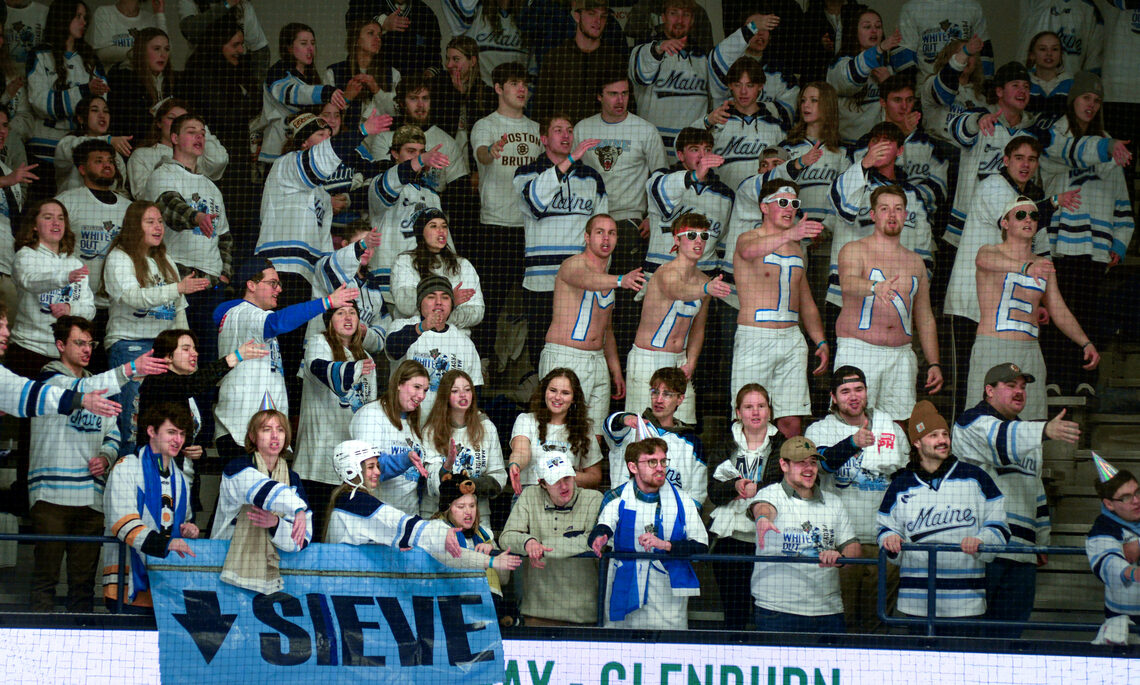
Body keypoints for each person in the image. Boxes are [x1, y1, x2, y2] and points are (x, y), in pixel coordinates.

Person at [28, 315, 165, 612]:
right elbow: (77, 391)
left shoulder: (97, 387)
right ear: (60, 345)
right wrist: (130, 369)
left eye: (90, 343)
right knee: (45, 579)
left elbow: (114, 434)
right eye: (79, 343)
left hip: (91, 497)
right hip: (51, 496)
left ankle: (79, 640)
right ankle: (36, 644)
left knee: (83, 583)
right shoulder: (49, 380)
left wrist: (106, 457)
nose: (87, 349)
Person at [954, 361, 1083, 638]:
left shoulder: (1027, 435)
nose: (1019, 392)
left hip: (1023, 550)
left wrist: (1043, 541)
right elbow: (999, 440)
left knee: (1009, 636)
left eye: (1023, 387)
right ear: (989, 390)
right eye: (1010, 386)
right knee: (970, 636)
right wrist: (1044, 430)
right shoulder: (970, 422)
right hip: (981, 548)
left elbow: (1037, 490)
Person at [877, 400, 1010, 635]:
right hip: (916, 603)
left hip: (965, 603)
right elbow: (885, 527)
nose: (943, 440)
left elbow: (1000, 526)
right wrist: (890, 539)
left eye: (945, 434)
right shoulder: (900, 484)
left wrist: (981, 541)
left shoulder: (976, 477)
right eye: (933, 435)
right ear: (916, 442)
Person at [1039, 72, 1133, 398]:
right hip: (1058, 246)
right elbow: (1071, 152)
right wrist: (1108, 147)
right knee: (1055, 312)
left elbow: (1123, 205)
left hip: (1094, 248)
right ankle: (1054, 377)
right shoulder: (1053, 137)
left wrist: (1119, 242)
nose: (1091, 105)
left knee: (1087, 312)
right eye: (1085, 98)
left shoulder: (1110, 149)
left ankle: (1085, 381)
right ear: (1072, 100)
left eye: (1096, 100)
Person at [212, 260, 359, 459]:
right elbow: (277, 322)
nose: (279, 289)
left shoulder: (255, 318)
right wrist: (327, 302)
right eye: (273, 283)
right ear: (251, 285)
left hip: (259, 432)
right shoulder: (241, 312)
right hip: (240, 432)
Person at [969, 197, 1100, 419]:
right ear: (1005, 222)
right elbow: (983, 262)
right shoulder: (989, 251)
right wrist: (1025, 267)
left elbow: (1058, 308)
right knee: (984, 424)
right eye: (1021, 215)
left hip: (1030, 351)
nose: (1028, 219)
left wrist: (1085, 341)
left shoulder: (1043, 265)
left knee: (1030, 427)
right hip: (993, 347)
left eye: (1034, 216)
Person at [320, 439, 520, 579]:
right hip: (353, 585)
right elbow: (398, 522)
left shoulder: (346, 499)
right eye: (371, 467)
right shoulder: (357, 502)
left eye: (377, 466)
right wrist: (441, 533)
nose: (378, 472)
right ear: (352, 468)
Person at [804, 365, 909, 633]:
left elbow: (905, 478)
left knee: (878, 622)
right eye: (845, 391)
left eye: (859, 389)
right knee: (841, 618)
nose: (853, 396)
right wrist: (852, 443)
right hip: (840, 542)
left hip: (882, 539)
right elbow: (822, 466)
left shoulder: (890, 428)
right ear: (834, 397)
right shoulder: (820, 429)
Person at [104, 200, 208, 453]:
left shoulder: (166, 260)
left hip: (163, 348)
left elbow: (179, 310)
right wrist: (178, 287)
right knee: (133, 419)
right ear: (133, 226)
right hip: (130, 344)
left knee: (163, 419)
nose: (158, 226)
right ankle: (127, 471)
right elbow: (133, 297)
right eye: (149, 222)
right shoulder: (119, 257)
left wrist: (185, 350)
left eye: (160, 221)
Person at [834, 184, 942, 422]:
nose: (892, 215)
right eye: (884, 209)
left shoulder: (916, 262)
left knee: (899, 426)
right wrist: (875, 286)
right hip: (859, 350)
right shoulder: (854, 250)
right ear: (873, 215)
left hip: (901, 354)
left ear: (905, 215)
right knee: (853, 423)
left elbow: (924, 316)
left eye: (898, 209)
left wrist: (933, 362)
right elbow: (848, 283)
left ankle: (894, 461)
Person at [574, 73, 667, 348]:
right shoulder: (582, 128)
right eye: (613, 94)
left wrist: (653, 215)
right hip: (591, 221)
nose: (620, 100)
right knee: (590, 293)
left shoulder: (645, 130)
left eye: (625, 93)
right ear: (599, 96)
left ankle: (625, 361)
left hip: (629, 223)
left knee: (626, 298)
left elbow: (660, 179)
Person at [731, 179, 828, 437]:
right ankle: (747, 476)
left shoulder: (797, 247)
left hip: (791, 339)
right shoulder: (747, 237)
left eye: (794, 204)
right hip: (755, 336)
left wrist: (820, 340)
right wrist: (791, 233)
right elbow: (750, 252)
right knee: (749, 417)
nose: (789, 209)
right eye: (782, 202)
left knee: (791, 420)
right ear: (764, 207)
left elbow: (805, 299)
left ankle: (789, 474)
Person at [137, 329, 267, 514]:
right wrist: (235, 357)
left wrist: (200, 451)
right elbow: (194, 384)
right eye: (186, 349)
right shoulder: (156, 382)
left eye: (195, 349)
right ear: (167, 356)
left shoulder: (189, 392)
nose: (195, 353)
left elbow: (192, 437)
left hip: (186, 478)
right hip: (157, 478)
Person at [514, 114, 608, 367]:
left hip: (581, 278)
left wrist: (599, 273)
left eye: (569, 130)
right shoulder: (526, 173)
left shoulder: (592, 177)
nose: (566, 136)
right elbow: (534, 203)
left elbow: (602, 230)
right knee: (543, 350)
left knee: (578, 346)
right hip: (540, 280)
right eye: (558, 130)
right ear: (544, 139)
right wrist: (569, 161)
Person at [590, 436, 708, 629]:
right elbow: (604, 525)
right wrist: (600, 537)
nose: (660, 467)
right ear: (633, 467)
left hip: (666, 601)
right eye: (652, 462)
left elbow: (701, 546)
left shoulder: (684, 501)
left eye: (663, 461)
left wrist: (666, 545)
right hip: (624, 594)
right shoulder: (617, 498)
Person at [746, 436, 860, 633]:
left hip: (828, 611)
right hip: (777, 610)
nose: (809, 468)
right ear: (784, 464)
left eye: (813, 462)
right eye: (801, 462)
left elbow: (853, 547)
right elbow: (764, 507)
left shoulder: (834, 502)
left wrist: (841, 558)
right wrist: (763, 518)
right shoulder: (771, 494)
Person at [539, 214, 640, 433]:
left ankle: (587, 469)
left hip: (597, 360)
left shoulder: (608, 277)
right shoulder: (573, 264)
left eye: (612, 233)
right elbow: (587, 280)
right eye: (599, 232)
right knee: (560, 429)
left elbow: (607, 330)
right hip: (566, 356)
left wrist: (615, 370)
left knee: (594, 433)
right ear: (587, 237)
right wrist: (621, 280)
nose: (606, 238)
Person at [144, 112, 232, 363]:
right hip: (178, 277)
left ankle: (202, 404)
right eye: (192, 131)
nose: (199, 137)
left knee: (206, 356)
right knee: (176, 353)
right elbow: (168, 206)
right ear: (174, 137)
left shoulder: (211, 185)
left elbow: (224, 235)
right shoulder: (163, 173)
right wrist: (196, 217)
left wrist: (224, 274)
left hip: (211, 283)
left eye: (203, 133)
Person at [627, 212, 729, 424]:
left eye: (703, 236)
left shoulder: (703, 280)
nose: (698, 241)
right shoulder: (666, 272)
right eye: (691, 235)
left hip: (679, 360)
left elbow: (698, 329)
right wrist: (706, 288)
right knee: (644, 429)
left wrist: (691, 362)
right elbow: (678, 291)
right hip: (649, 358)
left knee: (684, 426)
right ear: (677, 239)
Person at [101, 401, 198, 613]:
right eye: (171, 432)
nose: (178, 440)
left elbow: (181, 522)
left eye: (182, 434)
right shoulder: (127, 466)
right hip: (126, 587)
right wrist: (166, 544)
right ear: (151, 431)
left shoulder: (181, 478)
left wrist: (188, 529)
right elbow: (121, 523)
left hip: (166, 589)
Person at [468, 62, 540, 342]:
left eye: (524, 83)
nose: (522, 89)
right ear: (498, 88)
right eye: (513, 83)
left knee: (531, 302)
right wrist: (491, 150)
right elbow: (482, 155)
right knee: (491, 299)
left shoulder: (537, 129)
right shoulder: (486, 125)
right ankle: (483, 359)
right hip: (496, 226)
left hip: (532, 227)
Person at [628, 2, 754, 159]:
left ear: (693, 20)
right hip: (653, 150)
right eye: (674, 13)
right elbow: (642, 76)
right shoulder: (645, 52)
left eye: (686, 15)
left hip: (692, 152)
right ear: (663, 17)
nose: (680, 20)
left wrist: (753, 27)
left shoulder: (703, 58)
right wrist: (659, 47)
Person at [293, 302, 378, 532]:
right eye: (340, 313)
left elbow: (369, 413)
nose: (348, 317)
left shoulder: (367, 356)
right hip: (316, 463)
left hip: (351, 469)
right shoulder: (319, 344)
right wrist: (356, 369)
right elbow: (324, 372)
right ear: (329, 321)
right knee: (314, 533)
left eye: (353, 313)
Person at [706, 383, 783, 630]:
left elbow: (783, 484)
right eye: (748, 407)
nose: (756, 412)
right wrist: (735, 486)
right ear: (738, 412)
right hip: (730, 538)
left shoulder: (782, 443)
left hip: (768, 537)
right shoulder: (724, 442)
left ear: (769, 411)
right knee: (734, 609)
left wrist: (754, 489)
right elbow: (714, 492)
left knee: (766, 609)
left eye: (761, 406)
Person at [212, 407, 312, 594]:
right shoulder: (237, 467)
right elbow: (262, 491)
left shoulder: (293, 479)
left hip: (273, 572)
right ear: (252, 436)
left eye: (280, 430)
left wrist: (275, 524)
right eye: (266, 429)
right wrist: (298, 509)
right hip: (222, 561)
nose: (275, 435)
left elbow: (302, 539)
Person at [501, 449, 603, 626]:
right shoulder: (529, 496)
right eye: (556, 481)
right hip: (537, 611)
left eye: (567, 478)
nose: (564, 486)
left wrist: (541, 547)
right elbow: (506, 537)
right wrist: (527, 542)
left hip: (584, 615)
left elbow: (592, 542)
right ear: (542, 483)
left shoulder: (594, 499)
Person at [55, 139, 130, 350]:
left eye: (110, 161)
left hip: (118, 307)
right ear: (82, 169)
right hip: (77, 304)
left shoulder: (129, 207)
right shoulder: (67, 201)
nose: (107, 165)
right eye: (98, 161)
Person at [8, 200, 95, 382]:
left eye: (60, 218)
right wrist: (64, 278)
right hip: (28, 350)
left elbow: (90, 308)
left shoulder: (75, 263)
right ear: (34, 226)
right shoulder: (25, 255)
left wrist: (70, 310)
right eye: (48, 218)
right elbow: (30, 280)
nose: (56, 223)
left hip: (64, 356)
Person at [366, 124, 453, 303]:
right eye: (411, 151)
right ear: (395, 153)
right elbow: (392, 182)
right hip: (386, 284)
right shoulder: (380, 183)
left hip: (423, 284)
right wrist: (420, 161)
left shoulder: (432, 195)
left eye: (421, 152)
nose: (418, 157)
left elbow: (444, 241)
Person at [25, 1, 107, 175]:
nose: (84, 22)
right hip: (42, 151)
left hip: (81, 153)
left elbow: (102, 103)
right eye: (78, 16)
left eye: (85, 18)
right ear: (62, 18)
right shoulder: (39, 55)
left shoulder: (91, 59)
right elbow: (40, 103)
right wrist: (85, 92)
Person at [384, 275, 483, 418]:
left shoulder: (464, 342)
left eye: (445, 297)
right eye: (431, 297)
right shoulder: (402, 325)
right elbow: (393, 349)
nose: (438, 302)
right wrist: (421, 327)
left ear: (451, 304)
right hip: (406, 422)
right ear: (420, 303)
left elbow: (474, 389)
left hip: (445, 426)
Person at [605, 366, 705, 503]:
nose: (658, 400)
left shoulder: (692, 443)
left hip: (669, 518)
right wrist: (625, 418)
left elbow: (697, 495)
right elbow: (610, 426)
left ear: (680, 399)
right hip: (625, 511)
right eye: (655, 392)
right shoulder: (632, 426)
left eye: (667, 394)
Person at [644, 127, 733, 279]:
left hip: (704, 276)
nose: (702, 155)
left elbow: (724, 241)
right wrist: (695, 175)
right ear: (680, 155)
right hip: (660, 273)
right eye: (694, 149)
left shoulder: (726, 194)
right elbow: (662, 188)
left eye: (707, 149)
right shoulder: (661, 178)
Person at [348, 360, 432, 516]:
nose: (421, 396)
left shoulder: (414, 421)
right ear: (399, 384)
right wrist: (405, 459)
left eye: (426, 390)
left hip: (408, 517)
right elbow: (367, 469)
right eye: (416, 387)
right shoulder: (372, 415)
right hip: (376, 517)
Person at [434, 472, 517, 626]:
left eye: (472, 506)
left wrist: (491, 549)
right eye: (461, 506)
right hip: (449, 609)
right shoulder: (437, 529)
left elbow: (504, 579)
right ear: (447, 509)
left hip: (486, 610)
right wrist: (489, 561)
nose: (468, 512)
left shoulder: (485, 534)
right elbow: (455, 558)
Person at [422, 369, 505, 520]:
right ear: (445, 396)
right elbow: (431, 482)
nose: (463, 395)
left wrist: (472, 486)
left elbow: (499, 478)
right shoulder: (431, 430)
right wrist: (446, 467)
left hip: (476, 515)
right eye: (455, 391)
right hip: (438, 514)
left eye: (467, 390)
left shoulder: (486, 427)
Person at [257, 22, 344, 166]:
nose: (310, 48)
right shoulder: (277, 72)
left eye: (313, 43)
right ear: (289, 47)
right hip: (277, 152)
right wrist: (325, 92)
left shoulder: (312, 77)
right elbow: (293, 93)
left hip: (304, 152)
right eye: (304, 43)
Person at [827, 7, 916, 146]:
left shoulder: (888, 67)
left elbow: (902, 108)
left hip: (882, 143)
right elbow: (849, 82)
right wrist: (879, 49)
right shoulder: (840, 64)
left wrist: (889, 84)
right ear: (854, 31)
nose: (874, 31)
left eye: (878, 26)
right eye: (867, 27)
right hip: (849, 145)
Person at [508, 367, 604, 494]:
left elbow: (595, 476)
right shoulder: (525, 420)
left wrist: (563, 477)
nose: (557, 397)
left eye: (565, 393)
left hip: (567, 496)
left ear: (574, 398)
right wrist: (515, 464)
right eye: (553, 390)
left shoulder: (584, 428)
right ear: (544, 392)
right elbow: (521, 451)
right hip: (530, 493)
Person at [698, 55, 787, 193]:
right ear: (730, 86)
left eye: (750, 85)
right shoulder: (717, 122)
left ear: (760, 86)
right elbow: (681, 147)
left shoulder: (776, 126)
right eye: (738, 85)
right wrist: (706, 121)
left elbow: (786, 172)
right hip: (724, 203)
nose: (743, 92)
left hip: (765, 205)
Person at [533, 0, 628, 124]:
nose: (598, 21)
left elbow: (626, 108)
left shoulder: (614, 60)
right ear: (577, 16)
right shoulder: (556, 58)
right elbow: (541, 108)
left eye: (603, 16)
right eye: (591, 14)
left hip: (602, 139)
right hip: (564, 138)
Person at [389, 207, 482, 331]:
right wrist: (450, 301)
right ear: (421, 232)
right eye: (433, 226)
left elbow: (477, 312)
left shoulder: (463, 265)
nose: (441, 231)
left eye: (444, 226)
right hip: (417, 338)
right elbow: (405, 304)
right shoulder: (405, 261)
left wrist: (443, 314)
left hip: (454, 339)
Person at [126, 98, 227, 205]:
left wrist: (198, 126)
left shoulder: (195, 155)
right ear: (159, 122)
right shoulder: (142, 155)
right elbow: (143, 196)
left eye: (183, 120)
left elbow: (219, 160)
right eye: (171, 118)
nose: (177, 123)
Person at [1086, 455, 1140, 644]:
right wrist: (1132, 572)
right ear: (1109, 504)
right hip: (1127, 621)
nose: (1135, 501)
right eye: (1126, 497)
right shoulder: (1102, 528)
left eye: (1137, 492)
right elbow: (1108, 563)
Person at [324, 18, 397, 130]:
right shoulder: (334, 72)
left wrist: (377, 91)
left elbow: (396, 112)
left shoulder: (392, 73)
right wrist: (346, 98)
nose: (377, 39)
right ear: (356, 39)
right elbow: (327, 117)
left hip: (382, 141)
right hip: (346, 140)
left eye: (380, 35)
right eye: (371, 33)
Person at [345, 0, 442, 83]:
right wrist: (381, 23)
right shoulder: (365, 4)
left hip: (411, 90)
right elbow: (352, 25)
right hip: (371, 81)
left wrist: (428, 74)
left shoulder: (427, 14)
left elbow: (435, 57)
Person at [105, 27, 174, 143]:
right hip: (134, 146)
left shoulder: (172, 80)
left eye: (166, 49)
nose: (163, 54)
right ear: (141, 51)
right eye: (156, 49)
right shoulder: (123, 79)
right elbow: (128, 125)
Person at [440, 0, 527, 90]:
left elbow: (532, 69)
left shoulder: (528, 19)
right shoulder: (475, 12)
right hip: (479, 95)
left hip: (515, 98)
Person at [898, 0, 993, 79]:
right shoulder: (912, 8)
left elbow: (984, 51)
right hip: (927, 91)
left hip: (967, 91)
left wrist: (986, 86)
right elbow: (905, 57)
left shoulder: (972, 7)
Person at [51, 96, 129, 192]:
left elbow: (121, 191)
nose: (102, 115)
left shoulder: (115, 153)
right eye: (95, 110)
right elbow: (80, 146)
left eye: (106, 111)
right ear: (80, 118)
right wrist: (107, 140)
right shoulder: (67, 142)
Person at [1016, 0, 1104, 77]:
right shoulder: (1035, 4)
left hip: (1070, 90)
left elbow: (1093, 67)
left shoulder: (1090, 10)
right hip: (1034, 87)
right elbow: (1024, 53)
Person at [87, 0, 167, 68]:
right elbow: (102, 54)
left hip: (144, 82)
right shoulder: (104, 13)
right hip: (113, 82)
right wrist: (142, 52)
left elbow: (166, 53)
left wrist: (160, 14)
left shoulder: (150, 18)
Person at [1025, 31, 1072, 118]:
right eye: (1043, 49)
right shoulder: (1024, 83)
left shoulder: (1071, 85)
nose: (1049, 54)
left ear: (1061, 54)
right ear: (1032, 55)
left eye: (1054, 49)